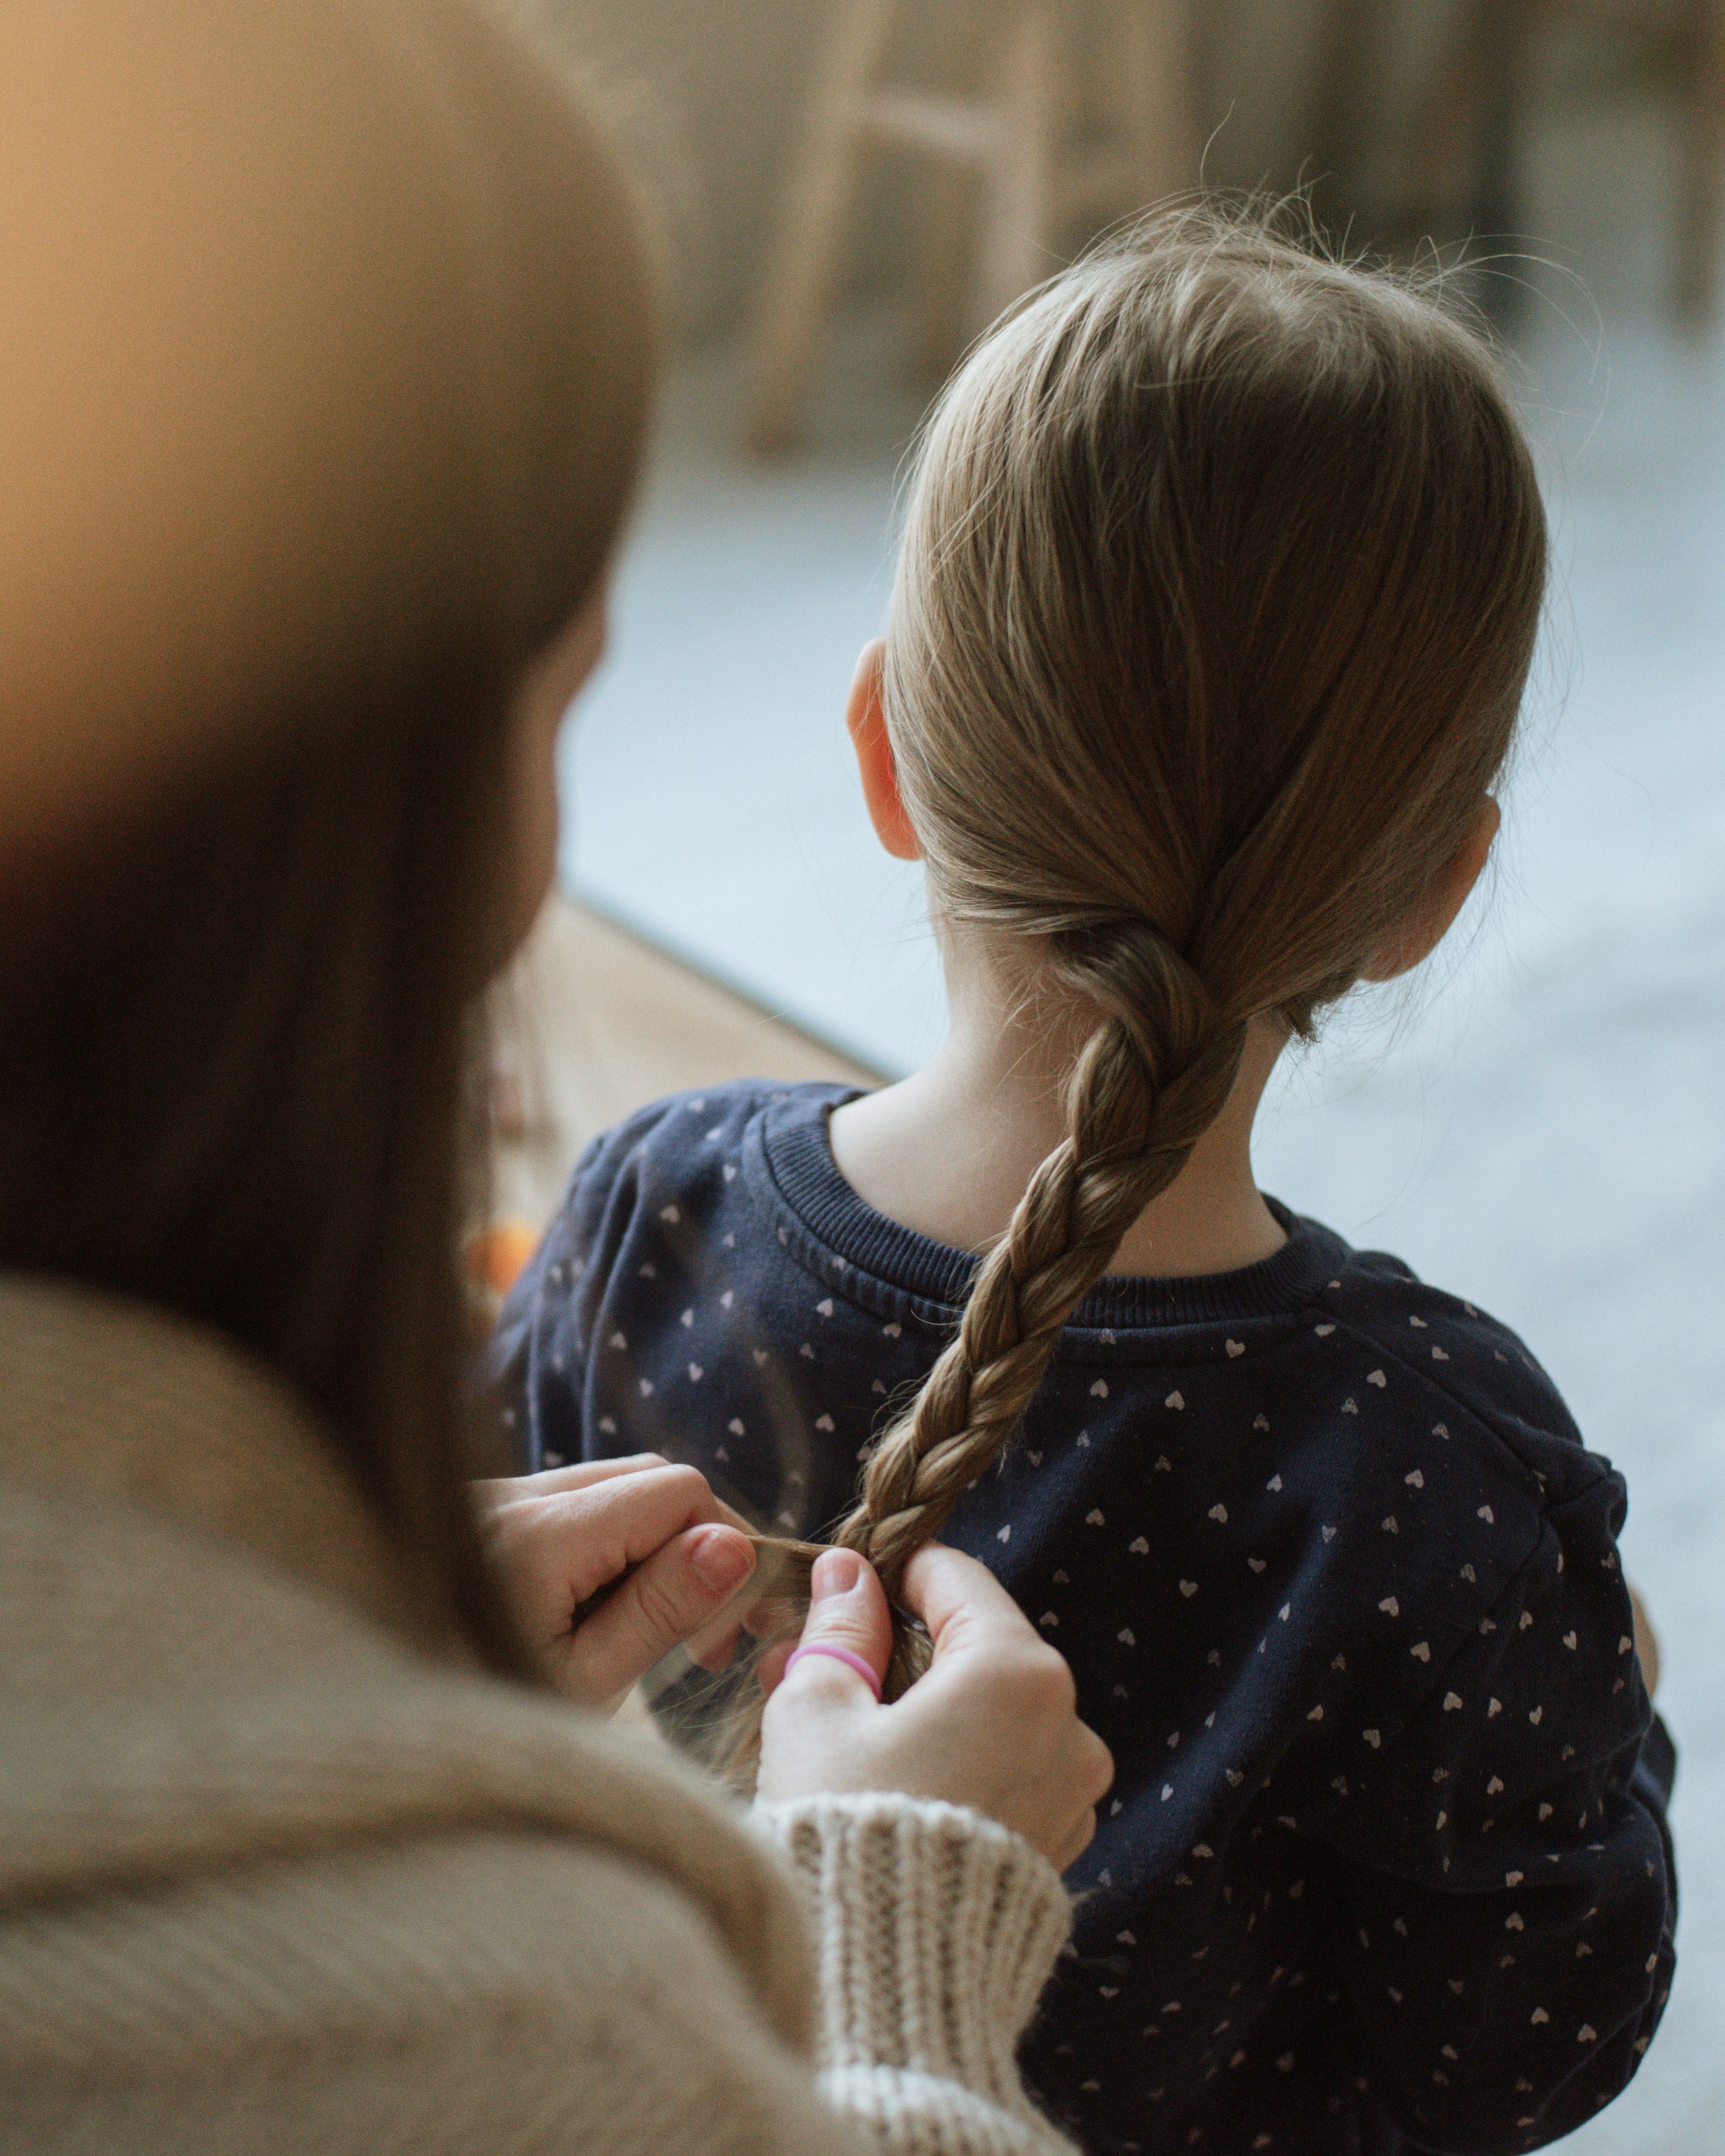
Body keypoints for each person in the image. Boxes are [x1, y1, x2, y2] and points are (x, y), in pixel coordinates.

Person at [0, 3, 1117, 2150]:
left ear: (898, 758)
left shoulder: (652, 1199)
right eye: (566, 698)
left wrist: (315, 1651)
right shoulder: (522, 2036)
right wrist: (892, 1950)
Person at [494, 214, 1679, 2154]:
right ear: (1427, 894)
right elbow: (1523, 2035)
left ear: (889, 755)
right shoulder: (1435, 1466)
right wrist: (1606, 1695)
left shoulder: (652, 1204)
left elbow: (472, 1618)